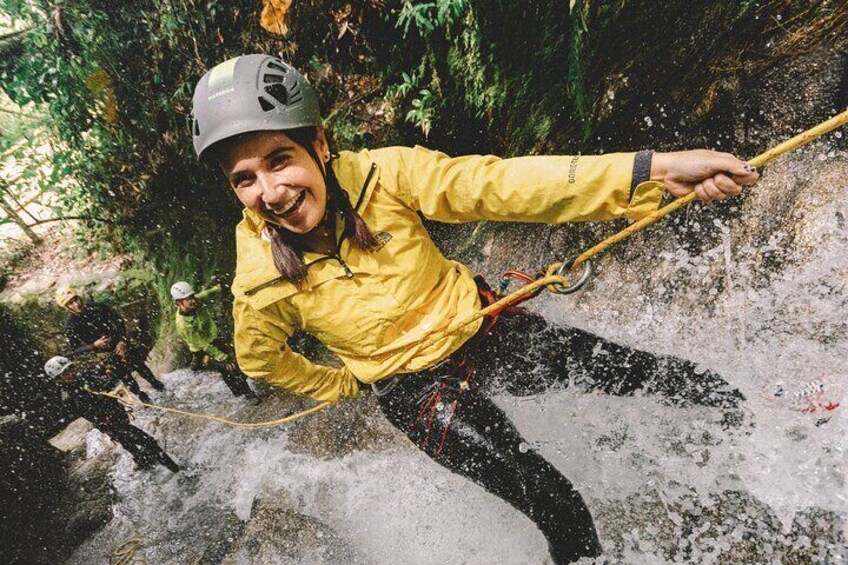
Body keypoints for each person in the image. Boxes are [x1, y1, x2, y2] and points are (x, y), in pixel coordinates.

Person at [189, 54, 759, 563]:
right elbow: (261, 360)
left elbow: (500, 185)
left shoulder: (386, 177)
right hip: (415, 393)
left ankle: (760, 414)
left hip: (478, 327)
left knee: (635, 371)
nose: (270, 191)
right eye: (244, 179)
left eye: (279, 159)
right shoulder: (259, 281)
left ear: (318, 142)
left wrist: (653, 171)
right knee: (556, 503)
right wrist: (343, 384)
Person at [43, 355, 180, 472]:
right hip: (109, 423)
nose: (71, 373)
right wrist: (103, 416)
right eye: (65, 373)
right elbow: (86, 413)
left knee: (127, 441)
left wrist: (112, 389)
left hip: (116, 413)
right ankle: (177, 470)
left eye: (70, 369)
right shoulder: (68, 397)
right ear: (58, 379)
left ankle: (141, 459)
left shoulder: (84, 376)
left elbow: (106, 383)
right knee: (149, 442)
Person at [56, 287, 165, 403]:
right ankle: (140, 395)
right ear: (67, 308)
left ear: (79, 297)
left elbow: (118, 321)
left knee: (139, 365)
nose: (76, 304)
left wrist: (122, 341)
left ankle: (156, 384)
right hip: (105, 353)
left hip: (119, 341)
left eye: (76, 299)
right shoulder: (70, 326)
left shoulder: (97, 307)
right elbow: (75, 349)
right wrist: (94, 345)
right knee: (125, 376)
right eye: (70, 303)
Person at [171, 280, 258, 400]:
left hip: (214, 338)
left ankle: (237, 391)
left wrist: (219, 288)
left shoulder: (196, 302)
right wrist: (222, 357)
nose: (193, 301)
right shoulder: (183, 325)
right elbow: (204, 345)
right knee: (229, 367)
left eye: (192, 297)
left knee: (229, 367)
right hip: (202, 349)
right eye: (188, 299)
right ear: (179, 302)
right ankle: (249, 395)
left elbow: (207, 294)